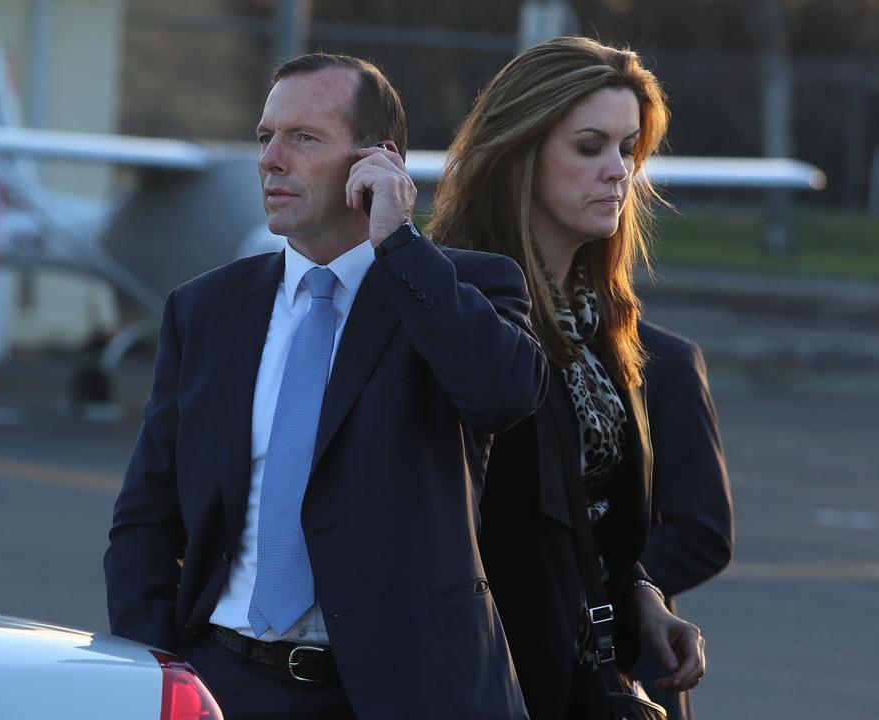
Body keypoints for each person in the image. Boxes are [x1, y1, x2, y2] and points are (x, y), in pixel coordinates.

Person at [104, 53, 547, 719]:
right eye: (265, 137)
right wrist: (160, 667)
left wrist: (400, 242)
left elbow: (505, 393)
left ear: (378, 161)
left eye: (304, 138)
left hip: (411, 691)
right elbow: (145, 517)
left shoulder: (460, 286)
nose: (271, 160)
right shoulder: (205, 310)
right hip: (230, 682)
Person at [428, 37, 706, 718]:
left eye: (628, 150)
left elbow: (587, 514)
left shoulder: (603, 321)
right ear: (519, 153)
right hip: (493, 684)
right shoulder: (453, 306)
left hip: (595, 681)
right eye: (590, 147)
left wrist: (638, 596)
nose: (618, 172)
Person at [631, 320, 734, 720]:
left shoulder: (664, 361)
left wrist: (616, 581)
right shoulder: (494, 346)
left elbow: (703, 533)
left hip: (630, 673)